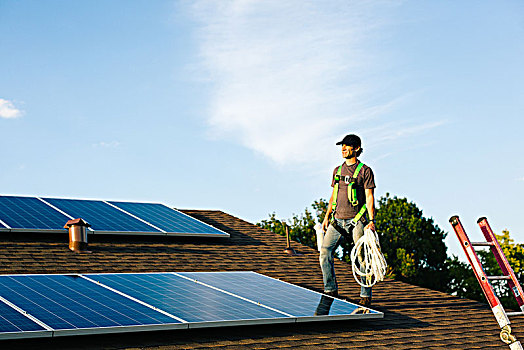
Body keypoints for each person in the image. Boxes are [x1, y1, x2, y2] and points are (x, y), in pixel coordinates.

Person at [320, 134, 376, 307]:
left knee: (361, 257)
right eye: (342, 146)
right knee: (324, 253)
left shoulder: (365, 171)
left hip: (356, 220)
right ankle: (330, 289)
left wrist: (371, 221)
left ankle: (365, 294)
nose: (343, 149)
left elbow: (369, 197)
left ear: (357, 148)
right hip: (337, 220)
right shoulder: (337, 170)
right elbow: (334, 195)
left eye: (347, 146)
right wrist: (327, 215)